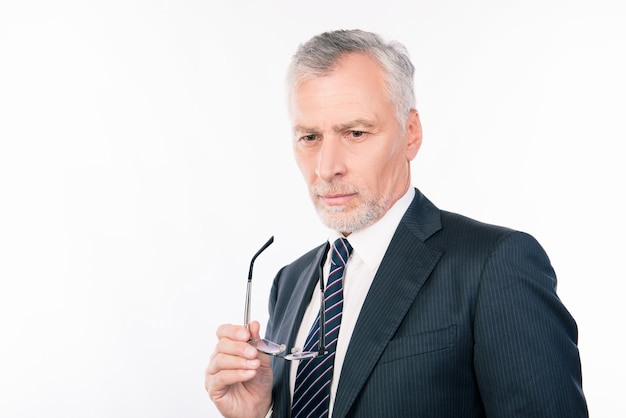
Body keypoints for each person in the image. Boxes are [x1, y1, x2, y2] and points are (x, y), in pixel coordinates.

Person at [205, 29, 588, 417]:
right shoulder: (290, 282)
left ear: (411, 133)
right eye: (309, 137)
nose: (326, 167)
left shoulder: (494, 265)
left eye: (355, 132)